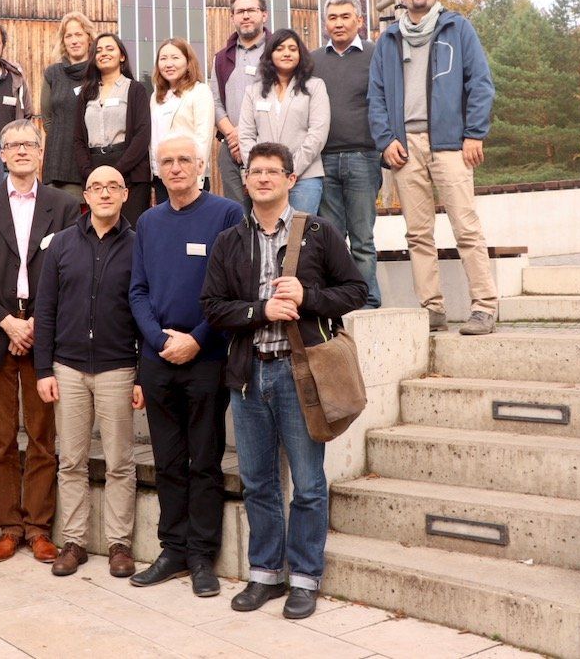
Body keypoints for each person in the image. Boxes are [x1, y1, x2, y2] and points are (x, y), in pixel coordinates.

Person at [201, 142, 367, 620]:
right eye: (256, 172)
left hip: (301, 374)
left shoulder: (318, 232)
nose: (263, 179)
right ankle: (266, 574)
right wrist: (261, 310)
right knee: (258, 482)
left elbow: (355, 290)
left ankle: (305, 579)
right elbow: (212, 307)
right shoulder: (230, 240)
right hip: (248, 374)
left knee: (308, 483)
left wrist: (307, 296)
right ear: (246, 180)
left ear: (291, 179)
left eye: (273, 171)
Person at [0, 120, 81, 563]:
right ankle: (9, 527)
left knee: (44, 439)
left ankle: (39, 528)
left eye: (30, 144)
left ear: (41, 152)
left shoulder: (64, 206)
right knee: (3, 440)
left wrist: (34, 326)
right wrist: (7, 322)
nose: (22, 151)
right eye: (13, 145)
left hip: (45, 336)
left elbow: (69, 272)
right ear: (2, 154)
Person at [128, 133, 243, 596]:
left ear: (201, 166)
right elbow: (138, 291)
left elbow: (233, 289)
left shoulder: (226, 215)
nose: (175, 168)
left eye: (184, 160)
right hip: (159, 360)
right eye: (167, 161)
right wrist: (159, 340)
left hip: (206, 357)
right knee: (168, 461)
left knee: (205, 462)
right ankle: (173, 549)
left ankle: (201, 556)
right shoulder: (148, 222)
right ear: (158, 170)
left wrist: (196, 339)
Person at [368, 0, 498, 335]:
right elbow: (375, 96)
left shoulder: (458, 28)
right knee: (418, 233)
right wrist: (385, 141)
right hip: (405, 147)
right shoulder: (389, 40)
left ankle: (484, 307)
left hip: (451, 144)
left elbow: (480, 83)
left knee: (466, 227)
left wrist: (474, 134)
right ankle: (432, 308)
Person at [34, 165, 143, 579]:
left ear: (125, 194)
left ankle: (119, 544)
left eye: (113, 186)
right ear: (86, 195)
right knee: (71, 461)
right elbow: (45, 309)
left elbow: (145, 308)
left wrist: (142, 375)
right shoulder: (62, 244)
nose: (104, 193)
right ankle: (74, 541)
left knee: (119, 462)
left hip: (118, 367)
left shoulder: (138, 245)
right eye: (96, 187)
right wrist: (43, 369)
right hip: (68, 368)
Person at [313, 0, 381, 309]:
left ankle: (368, 300)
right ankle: (340, 301)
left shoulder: (375, 54)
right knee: (333, 238)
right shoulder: (313, 61)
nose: (338, 23)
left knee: (363, 237)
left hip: (363, 158)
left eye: (345, 16)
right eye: (332, 18)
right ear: (325, 23)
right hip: (323, 160)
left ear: (359, 21)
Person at [238, 28, 329, 214]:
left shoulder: (315, 86)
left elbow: (318, 134)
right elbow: (245, 136)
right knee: (267, 229)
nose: (286, 53)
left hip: (304, 176)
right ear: (270, 55)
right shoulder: (253, 91)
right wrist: (261, 169)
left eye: (292, 49)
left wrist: (290, 170)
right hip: (264, 178)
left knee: (298, 230)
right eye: (279, 49)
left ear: (300, 54)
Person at [73, 32, 152, 225]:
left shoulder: (135, 89)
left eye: (110, 49)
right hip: (94, 168)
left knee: (130, 231)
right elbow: (78, 139)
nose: (103, 53)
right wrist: (89, 172)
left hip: (129, 171)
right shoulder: (86, 93)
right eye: (98, 50)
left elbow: (142, 135)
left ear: (122, 56)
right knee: (100, 231)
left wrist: (116, 172)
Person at [211, 0, 269, 206]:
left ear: (264, 15)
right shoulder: (221, 58)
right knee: (238, 213)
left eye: (251, 10)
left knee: (269, 210)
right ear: (232, 17)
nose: (245, 16)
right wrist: (233, 135)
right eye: (240, 11)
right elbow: (215, 102)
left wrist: (244, 136)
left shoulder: (277, 51)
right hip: (231, 147)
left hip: (268, 142)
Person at [149, 38, 215, 205]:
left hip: (189, 175)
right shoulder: (156, 96)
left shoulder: (199, 91)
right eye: (163, 59)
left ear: (188, 62)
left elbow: (203, 137)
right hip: (163, 176)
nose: (169, 64)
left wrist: (197, 177)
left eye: (175, 58)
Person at [39, 11, 96, 200]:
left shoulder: (98, 72)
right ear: (63, 41)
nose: (74, 41)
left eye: (79, 34)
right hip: (57, 165)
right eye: (68, 36)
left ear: (89, 38)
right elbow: (47, 120)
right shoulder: (52, 74)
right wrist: (62, 141)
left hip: (87, 164)